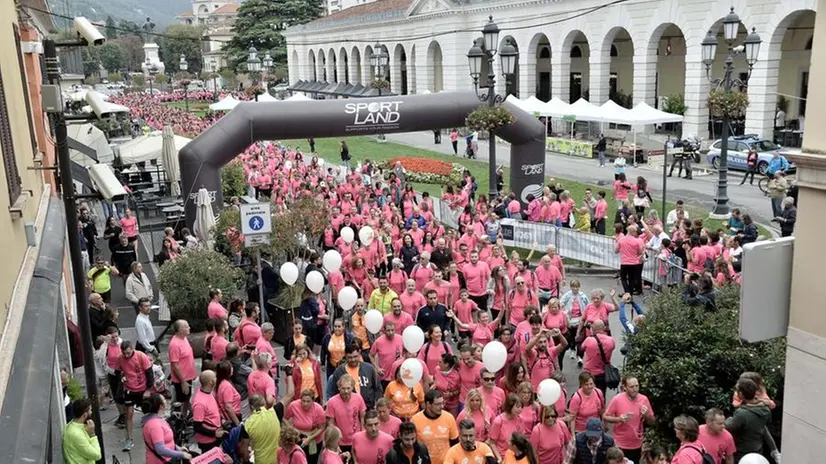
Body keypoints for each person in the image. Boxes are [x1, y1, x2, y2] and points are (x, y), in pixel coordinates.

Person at [603, 377, 654, 463]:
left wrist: (647, 415)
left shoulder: (644, 399)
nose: (635, 389)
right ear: (625, 387)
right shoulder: (617, 399)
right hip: (620, 444)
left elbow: (652, 422)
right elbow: (605, 417)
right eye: (632, 387)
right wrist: (619, 419)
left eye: (637, 386)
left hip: (637, 445)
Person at [117, 340, 153, 451]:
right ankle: (129, 439)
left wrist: (148, 390)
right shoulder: (121, 358)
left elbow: (149, 373)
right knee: (128, 414)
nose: (127, 355)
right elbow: (120, 371)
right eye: (125, 353)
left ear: (132, 348)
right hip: (129, 390)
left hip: (142, 389)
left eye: (128, 353)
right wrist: (122, 377)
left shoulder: (141, 356)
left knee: (149, 414)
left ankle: (152, 436)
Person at [725, 378, 772, 462]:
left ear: (741, 394)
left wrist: (728, 420)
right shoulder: (766, 409)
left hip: (742, 452)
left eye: (737, 390)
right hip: (758, 450)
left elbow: (731, 428)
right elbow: (767, 424)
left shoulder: (741, 413)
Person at [411, 390, 459, 463]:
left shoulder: (449, 418)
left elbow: (455, 443)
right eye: (437, 404)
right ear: (428, 404)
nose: (442, 406)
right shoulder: (415, 420)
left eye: (442, 403)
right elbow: (413, 445)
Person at [141, 393, 193, 463]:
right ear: (161, 406)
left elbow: (166, 441)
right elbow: (160, 449)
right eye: (164, 400)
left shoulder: (158, 419)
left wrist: (177, 448)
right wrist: (181, 455)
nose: (166, 401)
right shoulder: (154, 425)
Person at [329, 343, 382, 408]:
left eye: (355, 356)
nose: (353, 359)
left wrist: (377, 403)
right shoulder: (339, 372)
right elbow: (334, 392)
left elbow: (378, 387)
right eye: (350, 357)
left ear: (359, 354)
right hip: (348, 408)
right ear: (345, 356)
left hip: (368, 408)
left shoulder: (369, 369)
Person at [168, 319, 197, 416]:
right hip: (182, 379)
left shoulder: (184, 338)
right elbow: (175, 365)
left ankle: (186, 416)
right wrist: (183, 382)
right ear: (180, 330)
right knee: (181, 401)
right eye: (186, 326)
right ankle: (182, 419)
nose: (189, 328)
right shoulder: (174, 344)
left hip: (188, 377)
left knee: (187, 398)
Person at [192, 370, 226, 452]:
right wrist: (214, 433)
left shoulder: (209, 392)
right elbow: (197, 426)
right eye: (215, 377)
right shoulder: (199, 403)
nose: (217, 379)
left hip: (216, 436)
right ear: (211, 382)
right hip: (207, 442)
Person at [62, 398, 102, 464]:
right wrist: (92, 435)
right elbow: (97, 455)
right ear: (85, 415)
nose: (91, 412)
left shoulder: (71, 424)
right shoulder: (77, 434)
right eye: (90, 410)